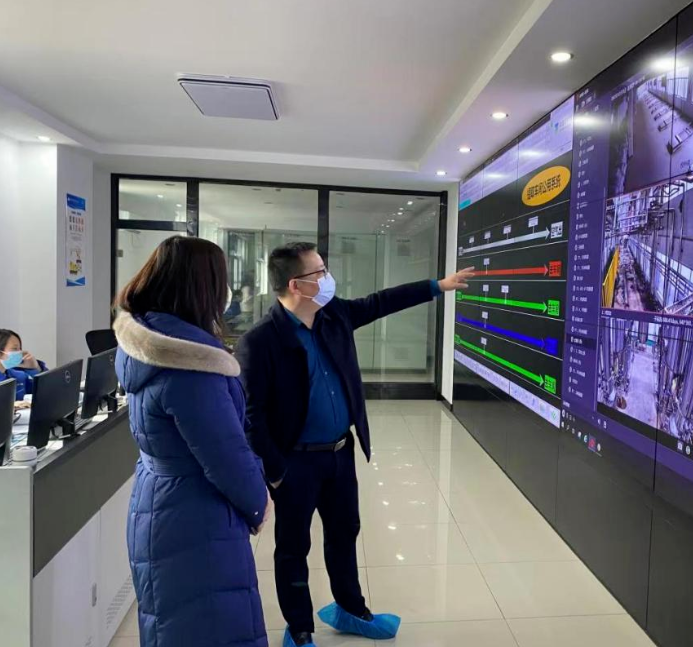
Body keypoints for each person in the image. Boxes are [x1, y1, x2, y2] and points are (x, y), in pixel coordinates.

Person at [236, 242, 473, 647]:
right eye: (320, 272)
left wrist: (438, 285)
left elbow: (380, 302)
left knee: (344, 533)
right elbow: (251, 417)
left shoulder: (334, 315)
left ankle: (350, 608)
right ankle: (300, 628)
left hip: (339, 454)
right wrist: (275, 472)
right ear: (296, 285)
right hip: (295, 464)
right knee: (293, 547)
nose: (328, 278)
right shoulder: (260, 341)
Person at [113, 236, 271, 647]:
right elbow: (226, 455)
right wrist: (259, 503)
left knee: (172, 623)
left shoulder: (144, 340)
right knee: (209, 626)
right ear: (203, 287)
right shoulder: (190, 364)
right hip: (195, 517)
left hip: (158, 501)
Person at [0, 329, 48, 400]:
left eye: (20, 348)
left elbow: (48, 390)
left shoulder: (19, 376)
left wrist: (35, 368)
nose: (20, 353)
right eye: (15, 349)